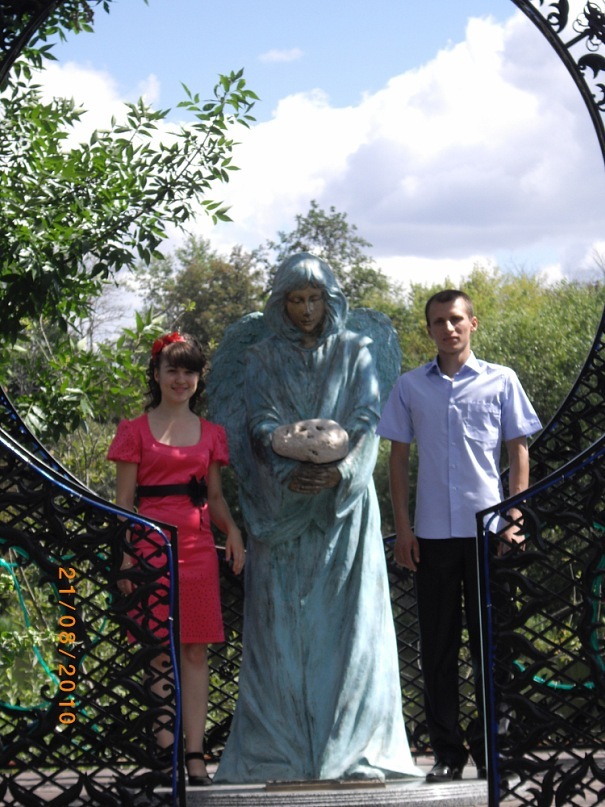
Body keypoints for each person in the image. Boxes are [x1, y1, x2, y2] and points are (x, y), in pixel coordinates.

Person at [212, 252, 422, 784]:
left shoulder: (356, 351)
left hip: (343, 512)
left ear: (331, 301)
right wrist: (287, 468)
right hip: (281, 506)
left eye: (314, 299)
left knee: (352, 629)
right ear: (281, 304)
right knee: (280, 630)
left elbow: (367, 419)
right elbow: (258, 422)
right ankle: (277, 752)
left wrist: (341, 471)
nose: (306, 310)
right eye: (296, 299)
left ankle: (356, 751)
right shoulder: (260, 356)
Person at [376, 289, 542, 783]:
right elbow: (398, 460)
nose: (448, 328)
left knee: (493, 646)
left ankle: (493, 749)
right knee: (438, 648)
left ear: (473, 323)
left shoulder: (501, 380)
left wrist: (514, 519)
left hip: (487, 533)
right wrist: (403, 529)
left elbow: (518, 451)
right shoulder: (409, 386)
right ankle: (448, 753)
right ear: (428, 329)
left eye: (455, 319)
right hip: (430, 536)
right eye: (438, 322)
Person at [107, 331, 245, 786]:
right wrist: (126, 558)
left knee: (195, 651)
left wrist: (233, 532)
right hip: (150, 552)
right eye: (173, 370)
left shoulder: (213, 434)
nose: (181, 379)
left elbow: (215, 498)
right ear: (157, 373)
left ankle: (195, 757)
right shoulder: (132, 430)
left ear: (198, 378)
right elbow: (123, 504)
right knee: (160, 656)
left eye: (189, 371)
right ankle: (167, 758)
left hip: (199, 552)